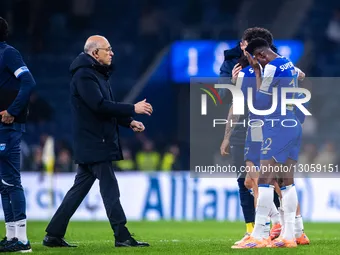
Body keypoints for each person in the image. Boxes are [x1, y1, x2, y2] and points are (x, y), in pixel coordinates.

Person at [42, 35, 152, 248]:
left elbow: (105, 107)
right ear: (95, 53)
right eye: (107, 49)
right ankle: (122, 235)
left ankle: (53, 234)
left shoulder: (96, 74)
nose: (112, 53)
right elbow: (99, 106)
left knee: (78, 191)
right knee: (110, 188)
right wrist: (132, 108)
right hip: (95, 142)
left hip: (93, 141)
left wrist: (129, 122)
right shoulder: (84, 75)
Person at [235, 38, 302, 248]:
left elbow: (260, 102)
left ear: (261, 55)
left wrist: (256, 73)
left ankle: (260, 235)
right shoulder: (287, 62)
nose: (257, 65)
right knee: (287, 182)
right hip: (292, 123)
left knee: (263, 178)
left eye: (257, 61)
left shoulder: (270, 68)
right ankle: (290, 235)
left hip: (277, 125)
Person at [219, 27, 281, 244]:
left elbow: (298, 77)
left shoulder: (272, 65)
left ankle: (274, 228)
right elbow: (230, 100)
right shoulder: (234, 66)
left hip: (268, 127)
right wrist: (227, 136)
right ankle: (257, 228)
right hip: (243, 128)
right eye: (245, 45)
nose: (246, 49)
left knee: (270, 181)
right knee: (246, 181)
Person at [0, 17, 35, 252]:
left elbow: (29, 82)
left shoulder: (8, 53)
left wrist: (12, 110)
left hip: (8, 126)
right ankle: (11, 236)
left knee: (11, 181)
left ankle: (22, 240)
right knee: (4, 183)